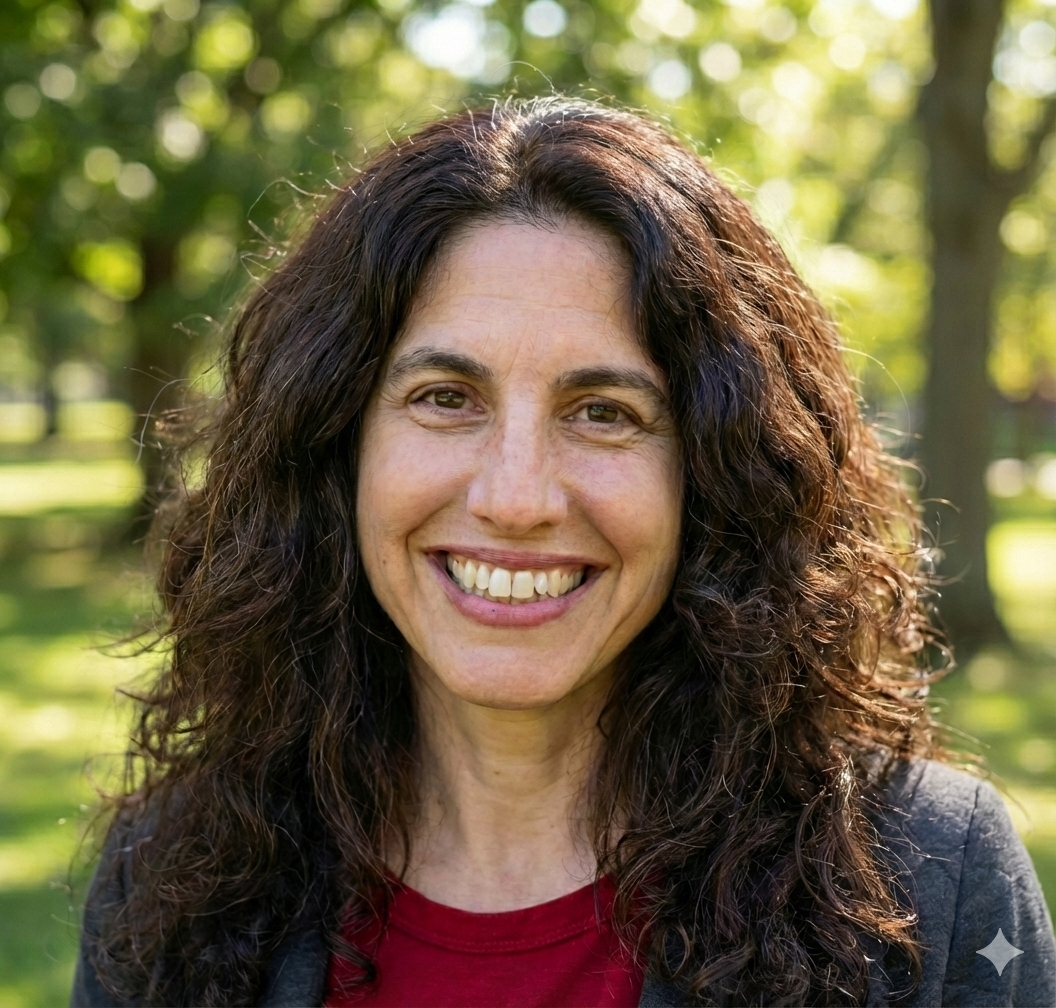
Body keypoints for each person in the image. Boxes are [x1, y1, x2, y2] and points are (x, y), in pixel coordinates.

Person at [71, 97, 1054, 1008]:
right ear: (337, 445)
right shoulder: (169, 880)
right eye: (445, 398)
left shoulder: (934, 884)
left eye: (604, 412)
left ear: (715, 474)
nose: (515, 499)